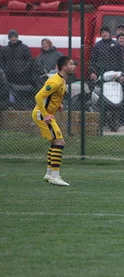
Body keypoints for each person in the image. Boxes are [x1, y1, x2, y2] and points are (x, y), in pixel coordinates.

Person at [31, 56, 76, 186]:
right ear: (64, 67)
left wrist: (58, 105)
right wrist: (45, 115)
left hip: (45, 113)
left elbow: (52, 96)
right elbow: (38, 96)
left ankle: (49, 174)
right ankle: (55, 176)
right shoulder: (56, 81)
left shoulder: (62, 80)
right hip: (42, 115)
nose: (74, 67)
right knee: (60, 142)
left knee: (54, 143)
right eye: (71, 64)